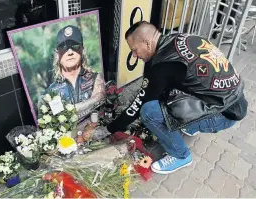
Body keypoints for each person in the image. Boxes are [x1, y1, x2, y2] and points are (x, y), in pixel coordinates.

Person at [105, 21, 248, 174]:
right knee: (162, 95)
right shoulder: (178, 38)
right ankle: (191, 126)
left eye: (134, 50)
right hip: (236, 101)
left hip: (224, 114)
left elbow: (138, 104)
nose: (134, 55)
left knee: (148, 112)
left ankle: (180, 155)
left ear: (147, 43)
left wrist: (109, 129)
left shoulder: (163, 66)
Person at [43, 25, 105, 113]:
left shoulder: (95, 78)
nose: (70, 52)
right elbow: (58, 117)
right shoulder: (51, 91)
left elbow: (100, 98)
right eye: (64, 47)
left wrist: (68, 109)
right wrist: (91, 102)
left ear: (82, 50)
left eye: (75, 46)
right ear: (57, 53)